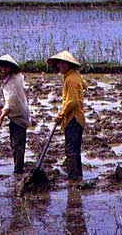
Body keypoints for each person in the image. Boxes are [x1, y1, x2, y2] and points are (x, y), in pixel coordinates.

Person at [47, 51, 87, 181]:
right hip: (78, 118)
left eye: (63, 63)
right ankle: (78, 176)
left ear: (69, 64)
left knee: (70, 151)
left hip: (73, 119)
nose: (60, 66)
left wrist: (60, 115)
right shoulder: (75, 75)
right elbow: (85, 86)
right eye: (59, 63)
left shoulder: (70, 79)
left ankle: (73, 179)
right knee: (75, 150)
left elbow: (73, 102)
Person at [0, 54, 31, 174]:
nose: (4, 69)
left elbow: (10, 103)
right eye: (2, 66)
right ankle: (17, 167)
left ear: (11, 68)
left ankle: (18, 170)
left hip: (20, 113)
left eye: (7, 67)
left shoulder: (15, 80)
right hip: (9, 113)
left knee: (18, 143)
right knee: (13, 143)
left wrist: (1, 117)